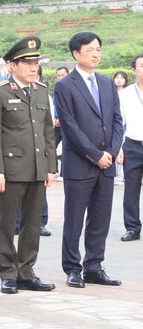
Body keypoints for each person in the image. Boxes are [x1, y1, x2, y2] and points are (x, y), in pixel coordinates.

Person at [0, 38, 57, 295]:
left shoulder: (40, 90)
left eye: (35, 63)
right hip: (11, 169)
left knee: (32, 223)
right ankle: (8, 272)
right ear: (12, 66)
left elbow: (48, 131)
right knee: (7, 223)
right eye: (27, 63)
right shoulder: (0, 92)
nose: (33, 67)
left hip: (37, 168)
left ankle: (26, 271)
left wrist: (50, 167)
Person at [53, 32, 123, 288]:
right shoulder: (65, 86)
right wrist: (95, 155)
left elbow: (117, 120)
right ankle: (73, 268)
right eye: (90, 50)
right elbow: (69, 127)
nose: (96, 54)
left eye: (99, 49)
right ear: (76, 54)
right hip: (81, 164)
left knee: (100, 218)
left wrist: (112, 153)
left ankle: (94, 266)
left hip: (107, 164)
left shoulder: (106, 84)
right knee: (74, 218)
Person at [117, 55, 143, 242]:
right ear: (133, 70)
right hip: (133, 146)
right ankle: (132, 228)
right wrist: (118, 148)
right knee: (131, 191)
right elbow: (119, 123)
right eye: (142, 66)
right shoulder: (125, 94)